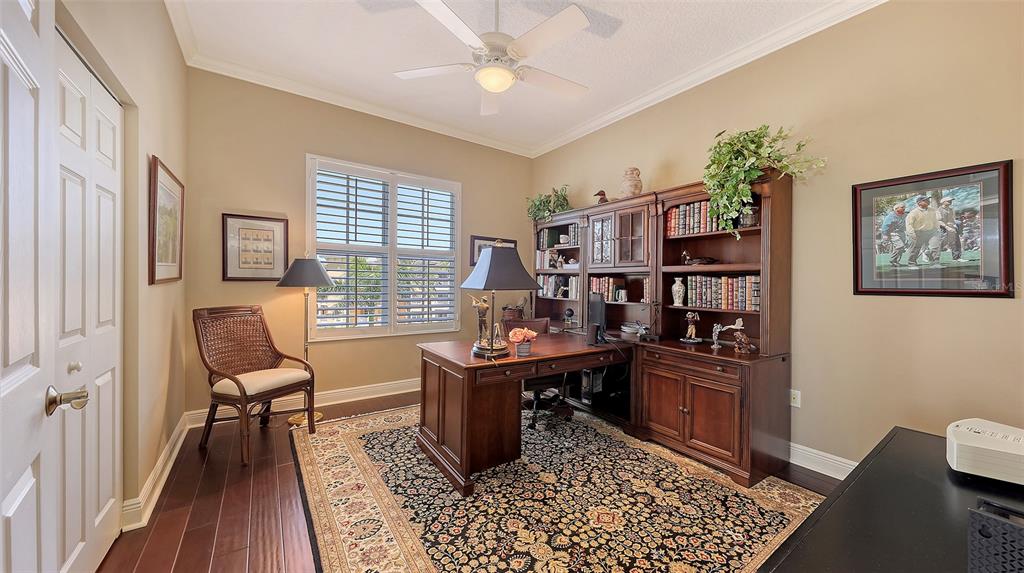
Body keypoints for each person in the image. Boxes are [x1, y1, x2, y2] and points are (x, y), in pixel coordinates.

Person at [905, 195, 940, 267]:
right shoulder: (913, 213)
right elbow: (909, 224)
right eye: (925, 200)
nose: (928, 201)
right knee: (915, 249)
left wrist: (937, 229)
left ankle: (935, 263)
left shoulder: (932, 210)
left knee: (935, 246)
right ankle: (912, 263)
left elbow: (935, 220)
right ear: (919, 203)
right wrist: (912, 234)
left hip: (931, 231)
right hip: (918, 233)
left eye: (928, 200)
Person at [936, 196, 963, 261]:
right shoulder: (939, 210)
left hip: (951, 228)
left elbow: (952, 219)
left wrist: (954, 225)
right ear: (943, 202)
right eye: (948, 201)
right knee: (940, 244)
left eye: (951, 200)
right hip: (943, 228)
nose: (950, 202)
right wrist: (947, 227)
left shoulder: (951, 209)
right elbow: (939, 221)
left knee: (955, 242)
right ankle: (933, 257)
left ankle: (957, 258)